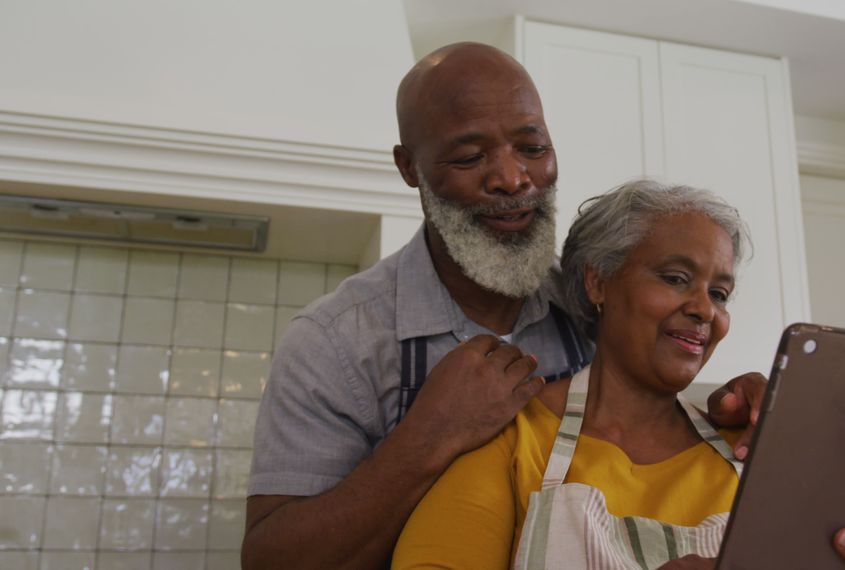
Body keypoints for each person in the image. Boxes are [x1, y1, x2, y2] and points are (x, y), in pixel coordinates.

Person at [241, 43, 765, 570]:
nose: (513, 179)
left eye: (533, 148)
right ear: (409, 167)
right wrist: (429, 438)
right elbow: (271, 560)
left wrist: (739, 407)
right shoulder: (335, 341)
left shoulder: (588, 301)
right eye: (470, 157)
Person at [392, 180, 845, 569]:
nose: (705, 310)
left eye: (719, 293)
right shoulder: (509, 439)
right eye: (676, 278)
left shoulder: (749, 452)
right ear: (598, 282)